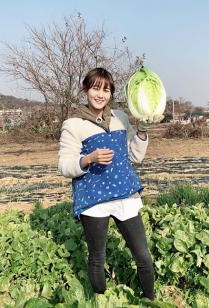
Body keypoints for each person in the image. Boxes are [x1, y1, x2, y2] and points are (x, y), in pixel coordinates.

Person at [58, 67, 162, 300]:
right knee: (97, 257)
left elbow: (134, 156)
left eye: (106, 90)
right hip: (94, 199)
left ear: (111, 94)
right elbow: (64, 165)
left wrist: (142, 132)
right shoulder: (73, 124)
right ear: (86, 89)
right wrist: (88, 159)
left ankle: (150, 299)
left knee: (143, 255)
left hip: (125, 194)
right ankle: (102, 301)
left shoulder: (120, 118)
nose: (100, 94)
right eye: (95, 88)